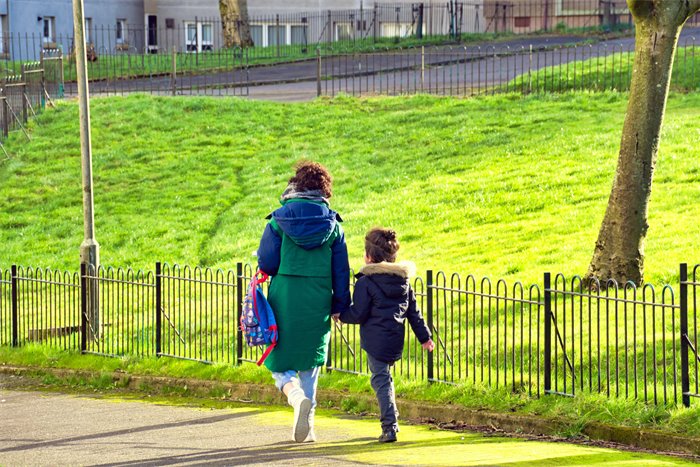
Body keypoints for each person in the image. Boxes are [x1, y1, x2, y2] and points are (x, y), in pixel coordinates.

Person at [257, 161, 351, 443]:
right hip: (318, 296)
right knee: (311, 362)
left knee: (279, 360)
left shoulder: (278, 221)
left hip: (285, 296)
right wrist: (340, 305)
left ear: (297, 185)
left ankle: (295, 397)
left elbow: (268, 263)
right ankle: (308, 427)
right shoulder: (333, 226)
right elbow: (341, 271)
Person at [337, 227, 434, 443]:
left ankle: (389, 426)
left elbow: (359, 313)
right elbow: (413, 313)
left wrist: (341, 315)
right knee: (384, 379)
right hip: (394, 340)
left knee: (381, 380)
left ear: (369, 256)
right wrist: (425, 337)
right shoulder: (402, 281)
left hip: (375, 341)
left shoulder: (366, 282)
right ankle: (392, 419)